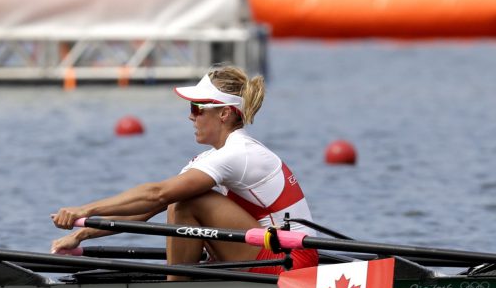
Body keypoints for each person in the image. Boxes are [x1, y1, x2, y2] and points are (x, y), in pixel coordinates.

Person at [50, 65, 318, 277]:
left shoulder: (240, 153)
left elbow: (157, 194)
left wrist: (84, 211)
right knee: (177, 200)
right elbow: (144, 210)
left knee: (184, 199)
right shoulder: (210, 159)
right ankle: (182, 287)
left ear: (224, 113)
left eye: (197, 108)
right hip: (266, 254)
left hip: (291, 263)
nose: (191, 116)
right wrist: (81, 234)